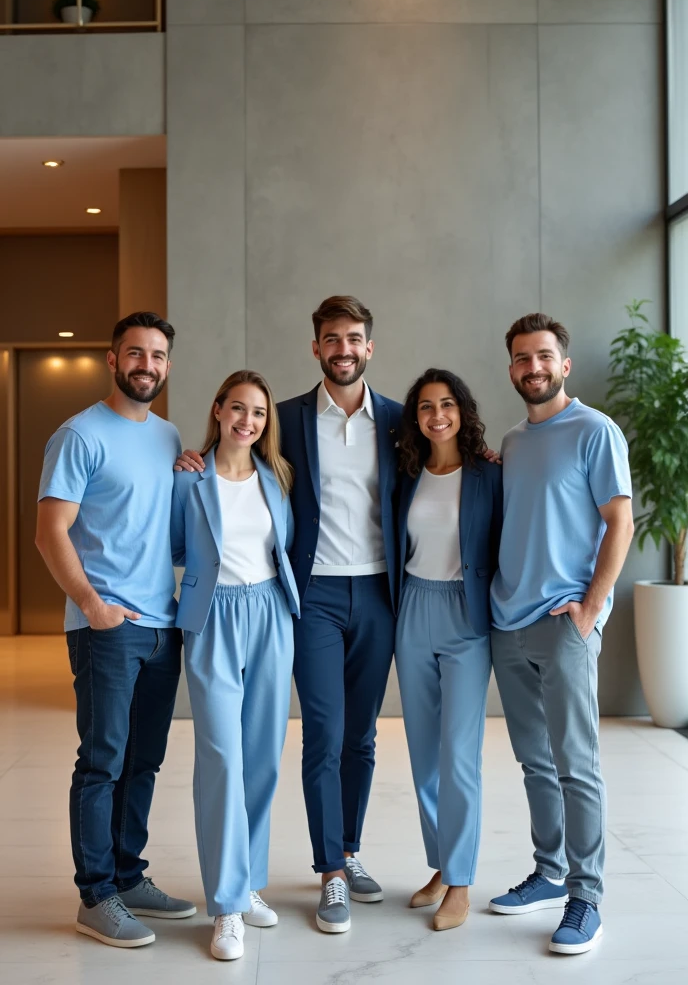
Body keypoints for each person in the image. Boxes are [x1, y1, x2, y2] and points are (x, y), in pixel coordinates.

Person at [175, 295, 402, 934]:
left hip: (353, 597)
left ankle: (331, 857)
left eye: (354, 338)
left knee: (348, 738)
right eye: (332, 338)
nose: (344, 349)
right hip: (304, 600)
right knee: (297, 738)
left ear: (369, 346)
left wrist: (486, 459)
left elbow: (440, 467)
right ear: (316, 347)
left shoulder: (395, 421)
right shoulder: (290, 424)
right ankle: (315, 873)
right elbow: (172, 539)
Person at [35, 312, 195, 949]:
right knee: (102, 760)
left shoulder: (167, 435)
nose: (146, 365)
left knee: (144, 760)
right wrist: (93, 606)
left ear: (167, 365)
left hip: (163, 625)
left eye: (157, 355)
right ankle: (96, 894)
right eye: (135, 353)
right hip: (108, 627)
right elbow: (49, 532)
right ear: (112, 359)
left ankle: (129, 876)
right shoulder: (78, 435)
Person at [488, 313, 634, 955]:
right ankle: (548, 874)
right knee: (535, 763)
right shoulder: (515, 440)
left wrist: (590, 608)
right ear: (512, 367)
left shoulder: (595, 430)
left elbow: (619, 521)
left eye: (544, 356)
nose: (533, 367)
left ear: (564, 364)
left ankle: (587, 897)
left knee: (577, 765)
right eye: (522, 358)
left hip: (562, 625)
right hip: (508, 621)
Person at [170, 370, 299, 961]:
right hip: (212, 616)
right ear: (219, 410)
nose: (249, 421)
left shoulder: (277, 478)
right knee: (221, 758)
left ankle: (247, 885)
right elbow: (173, 545)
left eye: (259, 414)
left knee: (261, 759)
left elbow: (284, 545)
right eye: (239, 409)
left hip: (271, 611)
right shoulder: (188, 478)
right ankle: (224, 907)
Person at [395, 369, 502, 932]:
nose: (437, 415)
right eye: (426, 407)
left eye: (447, 405)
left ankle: (460, 881)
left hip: (467, 616)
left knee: (459, 755)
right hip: (413, 609)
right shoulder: (407, 472)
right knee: (423, 754)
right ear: (415, 417)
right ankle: (442, 864)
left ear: (462, 410)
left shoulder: (488, 473)